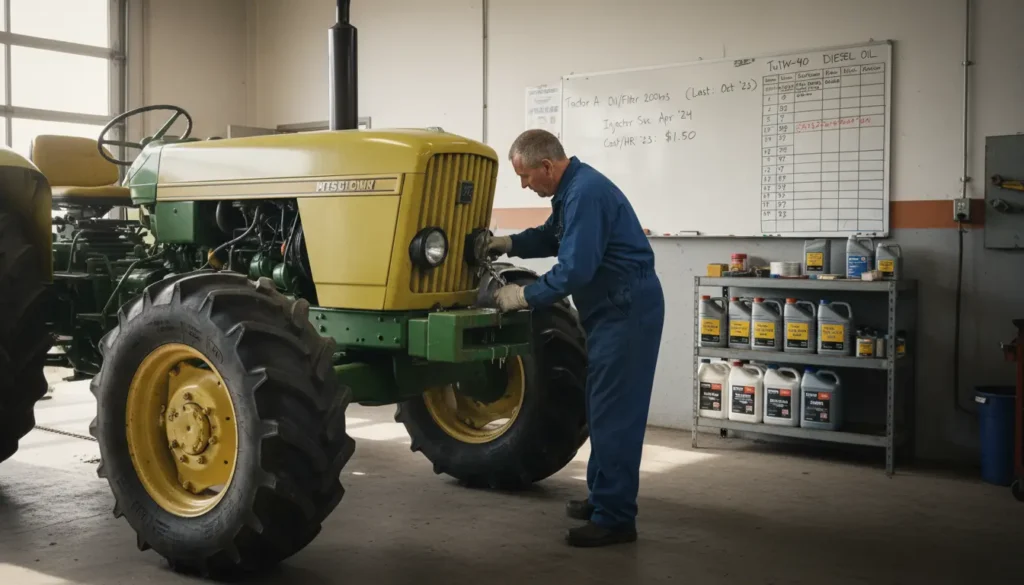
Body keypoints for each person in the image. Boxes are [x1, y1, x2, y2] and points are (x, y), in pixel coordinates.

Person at [488, 129, 665, 547]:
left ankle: (616, 518)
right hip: (611, 310)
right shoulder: (573, 190)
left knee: (614, 414)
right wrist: (507, 242)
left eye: (526, 176)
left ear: (547, 166)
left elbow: (574, 271)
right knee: (600, 408)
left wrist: (523, 295)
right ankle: (602, 498)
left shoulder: (585, 193)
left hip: (625, 312)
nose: (524, 185)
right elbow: (552, 235)